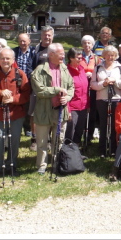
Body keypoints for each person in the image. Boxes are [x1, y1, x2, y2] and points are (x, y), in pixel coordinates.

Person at [0, 48, 31, 179]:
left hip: (15, 114)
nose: (5, 61)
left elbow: (26, 94)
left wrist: (14, 99)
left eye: (8, 58)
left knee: (14, 140)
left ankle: (12, 165)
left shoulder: (20, 74)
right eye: (2, 58)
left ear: (13, 60)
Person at [31, 43, 74, 175]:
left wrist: (67, 98)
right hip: (44, 111)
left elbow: (72, 87)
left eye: (63, 53)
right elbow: (39, 91)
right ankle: (42, 165)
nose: (63, 55)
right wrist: (57, 90)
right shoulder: (39, 70)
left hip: (61, 111)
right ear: (51, 55)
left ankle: (56, 163)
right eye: (60, 53)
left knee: (59, 140)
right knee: (42, 141)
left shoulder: (65, 69)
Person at [90, 45, 121, 158]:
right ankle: (102, 149)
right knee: (103, 124)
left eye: (113, 55)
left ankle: (113, 148)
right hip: (102, 99)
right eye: (108, 55)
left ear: (115, 56)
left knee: (114, 125)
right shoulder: (97, 67)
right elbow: (93, 85)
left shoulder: (120, 67)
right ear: (104, 56)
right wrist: (103, 84)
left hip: (116, 99)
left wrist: (114, 81)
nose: (110, 57)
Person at [29, 26, 55, 150]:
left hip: (52, 87)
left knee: (50, 112)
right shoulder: (36, 50)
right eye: (45, 35)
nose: (47, 37)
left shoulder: (57, 49)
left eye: (49, 35)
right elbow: (31, 68)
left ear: (52, 36)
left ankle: (48, 139)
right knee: (34, 112)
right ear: (41, 36)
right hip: (37, 87)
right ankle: (34, 139)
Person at [13, 33, 38, 138]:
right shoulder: (14, 52)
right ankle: (17, 126)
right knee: (17, 105)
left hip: (29, 82)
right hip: (15, 83)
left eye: (24, 41)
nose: (22, 43)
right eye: (20, 41)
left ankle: (27, 128)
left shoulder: (34, 52)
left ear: (29, 41)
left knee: (28, 106)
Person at [66, 48, 89, 144]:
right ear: (71, 58)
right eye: (78, 58)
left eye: (81, 58)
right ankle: (67, 153)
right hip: (72, 107)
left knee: (79, 131)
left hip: (83, 106)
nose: (80, 60)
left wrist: (88, 106)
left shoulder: (82, 69)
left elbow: (86, 90)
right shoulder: (66, 71)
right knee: (70, 131)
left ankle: (76, 153)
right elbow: (65, 92)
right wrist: (68, 110)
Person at [79, 35, 99, 150]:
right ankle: (80, 134)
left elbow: (100, 70)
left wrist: (92, 75)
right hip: (81, 88)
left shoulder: (96, 58)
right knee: (82, 112)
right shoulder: (78, 56)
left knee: (91, 113)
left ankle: (89, 136)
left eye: (89, 43)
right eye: (85, 43)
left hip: (92, 88)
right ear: (82, 45)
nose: (87, 45)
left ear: (92, 45)